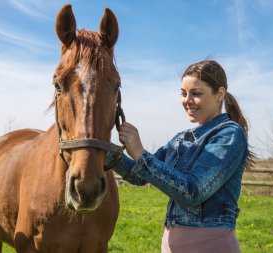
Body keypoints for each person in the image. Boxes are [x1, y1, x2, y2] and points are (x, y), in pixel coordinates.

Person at [106, 59, 255, 253]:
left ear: (220, 94)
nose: (187, 101)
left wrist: (140, 153)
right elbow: (138, 175)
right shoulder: (180, 139)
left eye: (196, 93)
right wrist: (104, 151)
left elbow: (194, 192)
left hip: (211, 246)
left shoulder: (229, 134)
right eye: (183, 94)